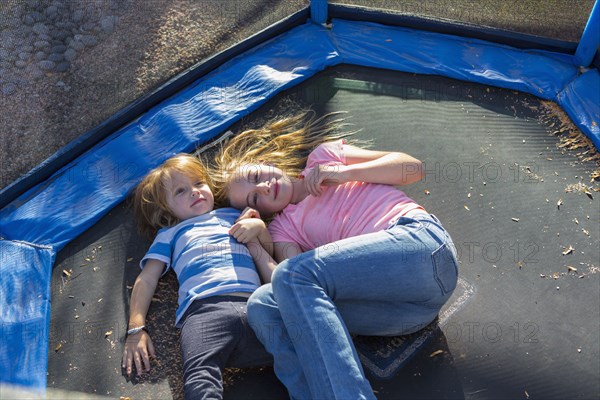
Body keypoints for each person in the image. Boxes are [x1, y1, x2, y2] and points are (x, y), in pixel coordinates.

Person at [211, 111, 459, 399]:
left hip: (421, 247)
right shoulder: (284, 228)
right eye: (255, 198)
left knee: (292, 274)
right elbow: (285, 291)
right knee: (263, 306)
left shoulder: (323, 156)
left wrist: (344, 173)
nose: (264, 187)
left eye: (257, 176)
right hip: (406, 309)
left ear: (267, 163)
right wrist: (255, 241)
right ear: (262, 211)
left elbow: (413, 168)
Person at [121, 153, 276, 399]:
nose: (194, 192)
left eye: (198, 183)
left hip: (256, 304)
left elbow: (265, 254)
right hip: (204, 311)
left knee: (300, 350)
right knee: (199, 374)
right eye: (180, 191)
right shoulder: (170, 233)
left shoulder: (233, 215)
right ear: (165, 210)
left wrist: (259, 228)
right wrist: (135, 329)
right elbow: (147, 278)